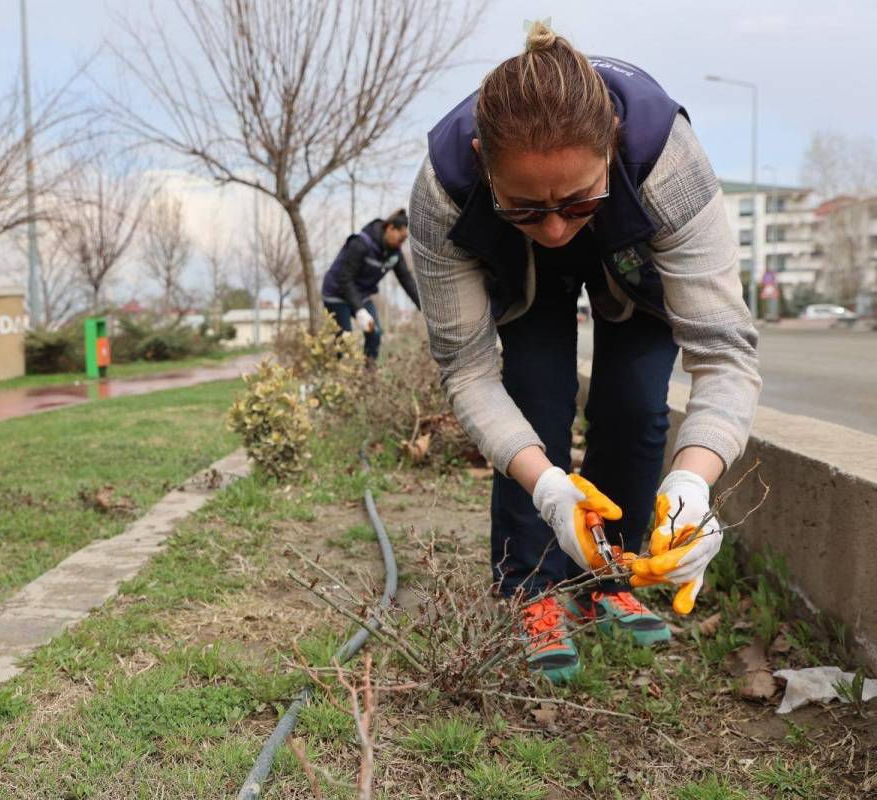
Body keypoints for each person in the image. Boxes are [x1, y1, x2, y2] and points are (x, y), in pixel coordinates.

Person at [409, 21, 761, 682]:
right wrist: (546, 488)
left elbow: (724, 353)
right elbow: (468, 369)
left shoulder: (666, 157)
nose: (555, 228)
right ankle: (532, 591)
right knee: (535, 394)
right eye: (526, 207)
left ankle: (610, 577)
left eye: (577, 202)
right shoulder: (444, 190)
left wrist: (691, 485)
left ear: (614, 147)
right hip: (521, 282)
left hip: (634, 257)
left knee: (634, 402)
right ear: (485, 159)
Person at [321, 209, 421, 362]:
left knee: (375, 333)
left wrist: (425, 309)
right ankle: (339, 375)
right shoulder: (361, 244)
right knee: (344, 337)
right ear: (390, 228)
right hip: (336, 293)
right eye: (400, 238)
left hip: (361, 294)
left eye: (404, 240)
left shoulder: (394, 254)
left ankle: (369, 374)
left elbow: (407, 281)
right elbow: (345, 278)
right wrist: (359, 310)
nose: (401, 243)